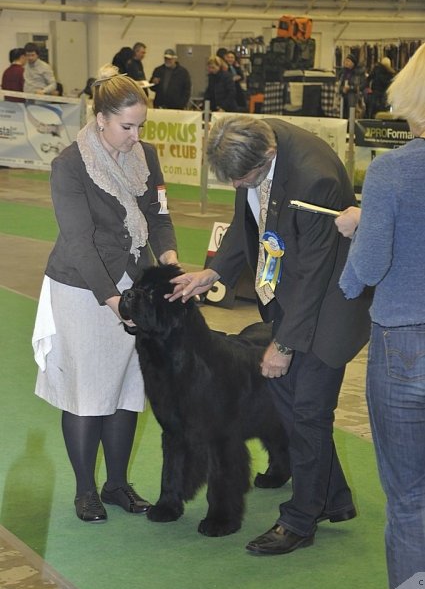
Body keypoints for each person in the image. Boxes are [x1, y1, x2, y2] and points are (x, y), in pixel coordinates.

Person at [168, 115, 372, 555]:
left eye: (246, 178)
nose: (241, 184)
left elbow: (317, 274)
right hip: (288, 297)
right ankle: (332, 498)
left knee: (308, 412)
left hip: (329, 306)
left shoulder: (314, 179)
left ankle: (300, 519)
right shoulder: (253, 141)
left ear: (269, 156)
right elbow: (248, 222)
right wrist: (214, 271)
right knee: (290, 403)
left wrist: (282, 346)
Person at [32, 64, 178, 523]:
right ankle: (85, 491)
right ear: (101, 119)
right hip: (82, 288)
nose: (135, 136)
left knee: (127, 388)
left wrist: (169, 261)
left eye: (140, 126)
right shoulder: (69, 166)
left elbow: (158, 215)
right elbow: (78, 241)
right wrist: (113, 300)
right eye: (126, 126)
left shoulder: (146, 156)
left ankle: (117, 484)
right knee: (87, 392)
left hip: (136, 284)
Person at [339, 42, 425, 589]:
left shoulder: (392, 170)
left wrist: (356, 226)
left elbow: (368, 267)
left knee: (410, 500)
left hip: (403, 346)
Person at [337, 53, 366, 119]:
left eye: (348, 61)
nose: (346, 62)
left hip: (354, 96)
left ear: (353, 63)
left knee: (351, 97)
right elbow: (339, 84)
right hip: (343, 96)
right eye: (345, 60)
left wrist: (351, 88)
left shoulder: (359, 73)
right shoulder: (342, 73)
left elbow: (363, 85)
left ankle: (351, 120)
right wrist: (342, 89)